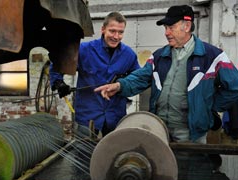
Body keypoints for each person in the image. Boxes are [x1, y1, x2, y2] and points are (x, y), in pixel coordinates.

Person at [94, 5, 238, 143]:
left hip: (191, 134)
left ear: (187, 26)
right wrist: (119, 86)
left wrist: (208, 107)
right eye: (165, 28)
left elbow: (234, 87)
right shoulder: (159, 56)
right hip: (159, 130)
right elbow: (140, 78)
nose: (166, 32)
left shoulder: (212, 56)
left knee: (191, 167)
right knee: (161, 166)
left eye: (171, 27)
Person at [50, 12, 140, 136]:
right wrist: (59, 83)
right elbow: (58, 64)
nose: (116, 36)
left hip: (115, 115)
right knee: (83, 151)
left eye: (120, 32)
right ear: (103, 29)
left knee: (113, 152)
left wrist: (123, 84)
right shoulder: (84, 50)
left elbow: (138, 79)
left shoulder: (129, 55)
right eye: (112, 31)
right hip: (87, 114)